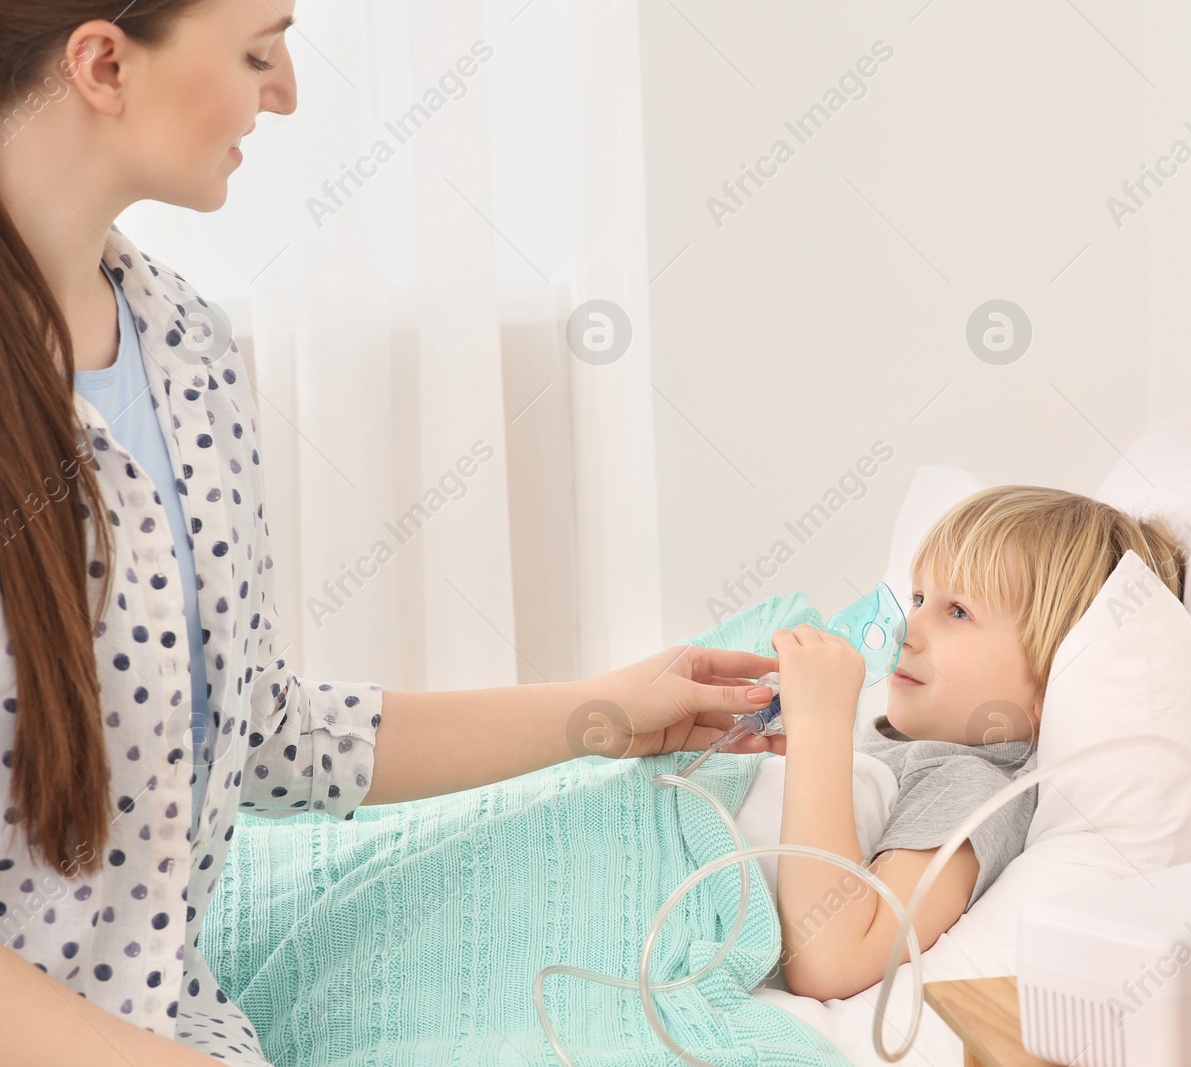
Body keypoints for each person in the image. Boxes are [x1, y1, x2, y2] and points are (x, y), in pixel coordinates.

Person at [0, 3, 780, 1063]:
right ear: (102, 63)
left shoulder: (188, 346)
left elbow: (259, 731)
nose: (283, 93)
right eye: (255, 52)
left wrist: (605, 709)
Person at [770, 485, 1186, 1000]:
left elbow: (834, 960)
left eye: (959, 611)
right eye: (918, 598)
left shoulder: (966, 786)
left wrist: (817, 727)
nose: (906, 629)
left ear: (1053, 674)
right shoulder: (888, 743)